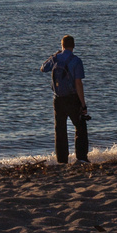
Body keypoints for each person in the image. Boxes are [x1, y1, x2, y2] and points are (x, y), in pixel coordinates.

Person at [41, 35, 89, 165]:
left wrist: (53, 55)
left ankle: (62, 160)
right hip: (73, 98)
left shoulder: (55, 58)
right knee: (80, 127)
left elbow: (43, 68)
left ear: (62, 45)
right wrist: (83, 104)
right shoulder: (76, 61)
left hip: (58, 99)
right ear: (73, 46)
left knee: (60, 129)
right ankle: (81, 157)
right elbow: (78, 83)